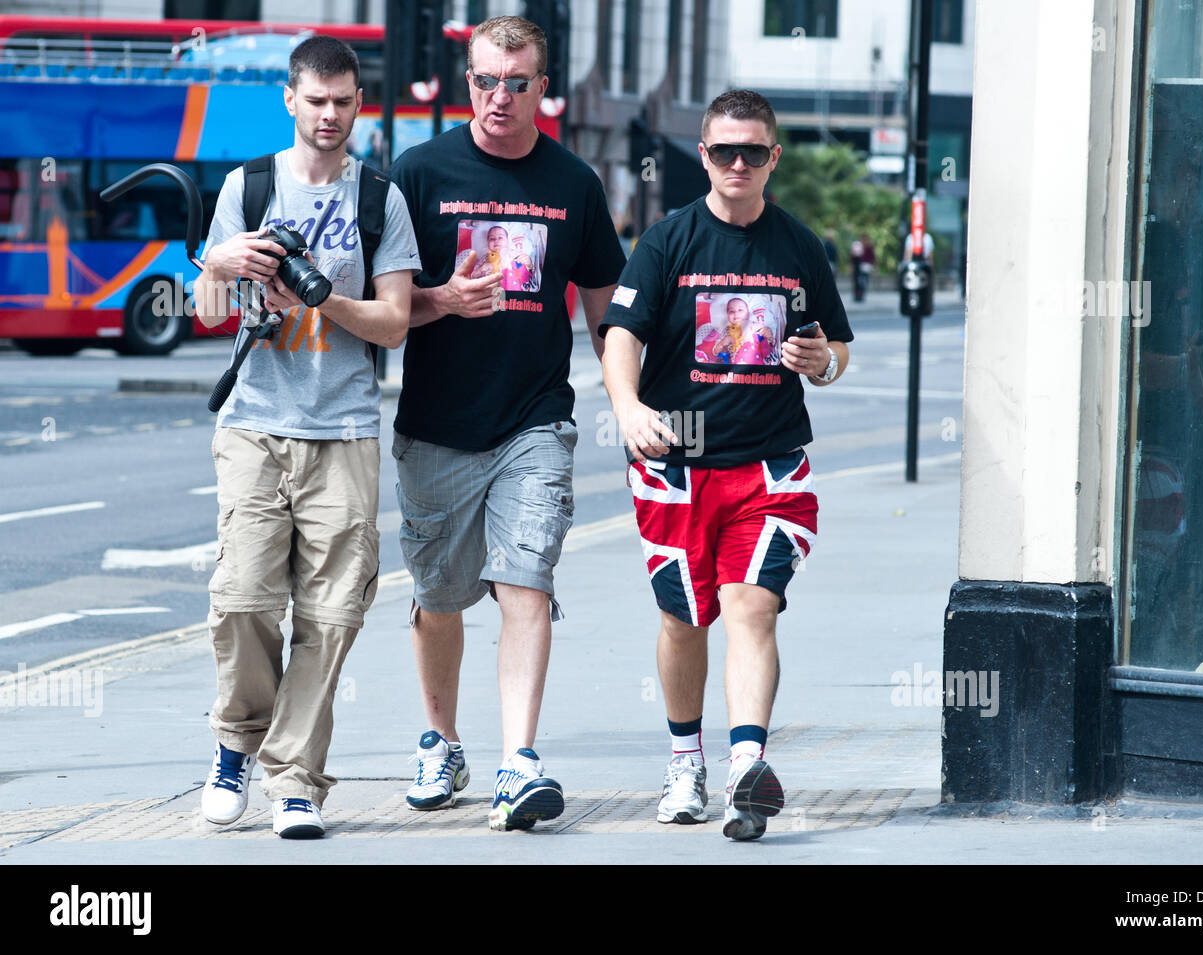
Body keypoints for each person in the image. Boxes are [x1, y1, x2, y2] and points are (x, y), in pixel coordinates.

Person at [389, 15, 626, 832]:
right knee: (438, 594)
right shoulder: (418, 174)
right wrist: (439, 299)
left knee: (525, 581)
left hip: (535, 425)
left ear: (541, 87)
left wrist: (632, 405)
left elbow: (607, 315)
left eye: (516, 83)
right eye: (486, 80)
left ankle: (518, 761)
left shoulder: (574, 184)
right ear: (468, 83)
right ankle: (440, 738)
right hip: (435, 425)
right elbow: (383, 310)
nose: (499, 96)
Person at [599, 89, 853, 841]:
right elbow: (621, 335)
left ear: (773, 157)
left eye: (752, 151)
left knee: (751, 605)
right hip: (675, 464)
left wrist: (823, 362)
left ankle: (749, 767)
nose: (737, 164)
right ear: (704, 155)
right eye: (722, 151)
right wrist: (627, 408)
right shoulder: (668, 240)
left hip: (769, 469)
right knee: (684, 618)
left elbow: (834, 345)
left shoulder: (799, 246)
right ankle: (687, 761)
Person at [191, 36, 420, 838]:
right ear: (290, 100)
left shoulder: (378, 200)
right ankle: (234, 743)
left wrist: (320, 301)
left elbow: (393, 322)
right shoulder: (247, 186)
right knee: (243, 598)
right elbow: (208, 314)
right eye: (316, 100)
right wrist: (218, 263)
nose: (330, 115)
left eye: (344, 101)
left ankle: (296, 780)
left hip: (344, 428)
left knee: (332, 614)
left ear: (358, 105)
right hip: (254, 423)